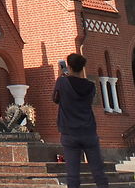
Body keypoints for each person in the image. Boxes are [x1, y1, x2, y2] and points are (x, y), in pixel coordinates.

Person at [52, 53, 110, 188]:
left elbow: (55, 99)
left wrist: (60, 76)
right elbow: (88, 100)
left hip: (69, 132)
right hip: (88, 130)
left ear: (69, 67)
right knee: (98, 172)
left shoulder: (62, 82)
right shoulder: (90, 86)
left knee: (73, 174)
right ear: (82, 67)